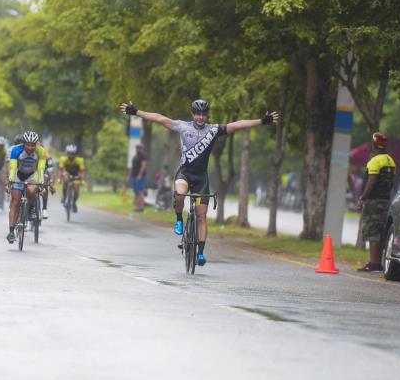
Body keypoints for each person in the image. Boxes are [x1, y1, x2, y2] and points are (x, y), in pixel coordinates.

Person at [120, 99, 280, 266]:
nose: (200, 117)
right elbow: (160, 118)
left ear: (207, 115)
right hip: (185, 173)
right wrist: (136, 112)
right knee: (180, 194)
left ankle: (201, 253)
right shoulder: (183, 126)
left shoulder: (213, 130)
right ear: (192, 114)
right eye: (197, 114)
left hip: (201, 178)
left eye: (203, 114)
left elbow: (238, 125)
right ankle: (179, 220)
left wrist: (262, 121)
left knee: (201, 216)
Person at [356, 132, 395, 273]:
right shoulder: (390, 160)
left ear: (373, 144)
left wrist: (363, 197)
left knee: (372, 232)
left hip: (374, 201)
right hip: (385, 200)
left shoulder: (375, 161)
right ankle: (377, 263)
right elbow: (392, 183)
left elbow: (372, 181)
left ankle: (374, 264)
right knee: (380, 232)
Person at [7, 131, 47, 243]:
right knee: (15, 201)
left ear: (36, 144)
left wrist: (41, 183)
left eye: (33, 145)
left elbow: (40, 170)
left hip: (32, 176)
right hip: (18, 175)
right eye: (28, 144)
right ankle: (11, 231)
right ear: (23, 144)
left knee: (31, 189)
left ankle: (30, 209)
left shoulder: (41, 151)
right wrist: (10, 181)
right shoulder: (16, 150)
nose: (30, 147)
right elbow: (13, 168)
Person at [59, 144, 86, 212]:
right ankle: (64, 196)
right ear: (67, 153)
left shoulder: (80, 160)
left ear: (75, 154)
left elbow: (82, 171)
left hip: (76, 174)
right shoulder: (63, 159)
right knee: (65, 180)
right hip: (67, 173)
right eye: (69, 153)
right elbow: (61, 169)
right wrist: (61, 176)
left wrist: (82, 178)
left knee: (76, 188)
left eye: (72, 154)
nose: (71, 155)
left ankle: (74, 203)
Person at [129, 144, 148, 212]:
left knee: (140, 191)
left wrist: (140, 175)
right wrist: (129, 176)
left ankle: (141, 207)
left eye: (139, 148)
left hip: (140, 176)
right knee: (136, 191)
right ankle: (137, 206)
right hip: (134, 176)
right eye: (137, 148)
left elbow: (143, 166)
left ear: (141, 149)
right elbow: (132, 167)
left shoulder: (143, 156)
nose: (137, 149)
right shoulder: (135, 157)